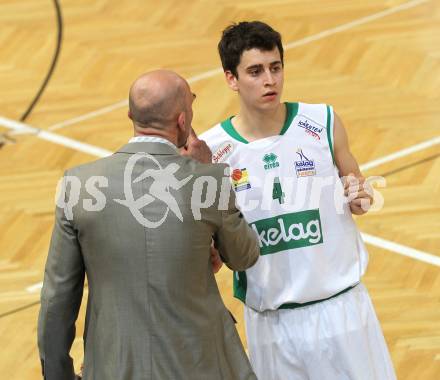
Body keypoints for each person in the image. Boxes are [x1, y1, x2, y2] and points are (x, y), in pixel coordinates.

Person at [200, 21, 396, 380]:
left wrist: (360, 196)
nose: (269, 80)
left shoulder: (322, 121)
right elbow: (212, 239)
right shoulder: (212, 151)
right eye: (255, 71)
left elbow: (359, 191)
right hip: (271, 323)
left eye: (275, 68)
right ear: (231, 78)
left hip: (342, 311)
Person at [38, 70, 259, 380]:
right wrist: (207, 170)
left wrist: (58, 376)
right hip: (202, 367)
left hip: (114, 369)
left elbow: (57, 297)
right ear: (182, 120)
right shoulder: (207, 180)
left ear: (131, 115)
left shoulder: (79, 185)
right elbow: (244, 256)